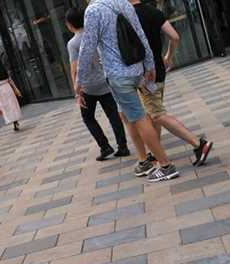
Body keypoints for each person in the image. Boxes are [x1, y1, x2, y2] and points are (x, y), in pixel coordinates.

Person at [76, 0, 179, 183]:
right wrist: (149, 65)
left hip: (118, 75)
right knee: (128, 116)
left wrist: (79, 80)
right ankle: (144, 161)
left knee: (139, 118)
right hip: (137, 69)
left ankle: (165, 165)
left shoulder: (93, 10)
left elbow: (87, 48)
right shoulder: (124, 3)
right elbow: (141, 36)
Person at [129, 0, 213, 175]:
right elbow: (174, 36)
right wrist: (169, 56)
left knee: (157, 114)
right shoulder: (153, 11)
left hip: (146, 74)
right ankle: (155, 151)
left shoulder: (128, 16)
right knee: (154, 113)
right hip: (159, 69)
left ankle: (198, 143)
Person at [66, 7, 130, 162]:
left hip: (87, 87)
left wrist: (77, 91)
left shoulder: (73, 43)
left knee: (88, 117)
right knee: (113, 115)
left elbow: (75, 68)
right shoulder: (95, 34)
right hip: (105, 82)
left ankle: (105, 147)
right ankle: (122, 146)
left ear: (69, 24)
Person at [0, 55, 22, 131]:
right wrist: (16, 89)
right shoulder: (4, 69)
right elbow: (10, 80)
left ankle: (13, 122)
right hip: (8, 88)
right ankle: (15, 121)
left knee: (6, 107)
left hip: (1, 90)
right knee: (12, 105)